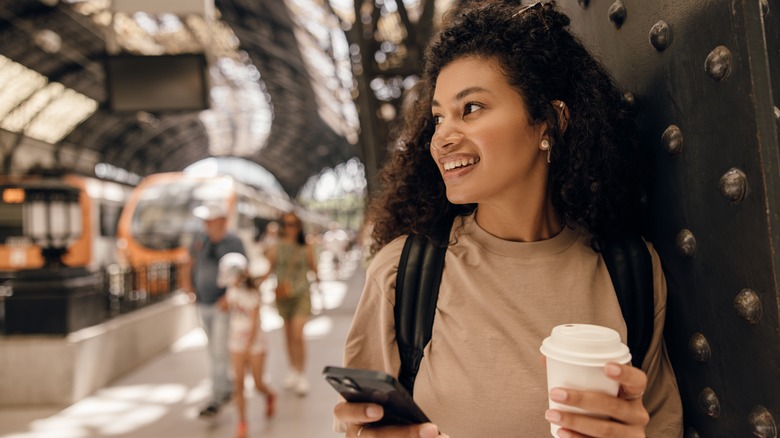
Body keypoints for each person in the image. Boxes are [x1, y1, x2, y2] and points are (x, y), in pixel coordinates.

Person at [333, 1, 683, 437]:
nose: (441, 136)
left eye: (472, 108)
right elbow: (362, 426)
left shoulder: (631, 272)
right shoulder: (402, 275)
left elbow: (663, 425)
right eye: (439, 117)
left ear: (549, 122)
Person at [188, 201, 246, 417]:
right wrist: (189, 287)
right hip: (203, 302)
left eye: (209, 220)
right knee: (213, 349)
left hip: (221, 305)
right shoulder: (200, 239)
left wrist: (228, 297)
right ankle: (226, 387)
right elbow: (191, 262)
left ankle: (216, 396)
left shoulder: (234, 241)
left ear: (221, 220)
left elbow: (241, 273)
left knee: (219, 351)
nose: (205, 224)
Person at [258, 211, 319, 396]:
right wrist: (253, 286)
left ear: (299, 226)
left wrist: (320, 288)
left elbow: (314, 268)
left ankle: (302, 374)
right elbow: (268, 269)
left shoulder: (306, 246)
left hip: (301, 294)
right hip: (283, 295)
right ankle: (293, 370)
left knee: (298, 335)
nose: (289, 227)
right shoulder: (277, 246)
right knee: (287, 336)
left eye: (293, 224)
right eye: (286, 224)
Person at [218, 252, 277, 438]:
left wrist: (248, 345)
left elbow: (254, 321)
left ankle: (269, 395)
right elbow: (230, 307)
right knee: (239, 384)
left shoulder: (252, 293)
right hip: (236, 341)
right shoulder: (231, 291)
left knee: (258, 383)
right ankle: (242, 421)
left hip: (254, 344)